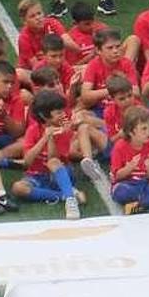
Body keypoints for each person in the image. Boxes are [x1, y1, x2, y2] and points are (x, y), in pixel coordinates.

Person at [13, 90, 92, 219]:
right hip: (36, 176)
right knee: (18, 188)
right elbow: (27, 162)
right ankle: (65, 195)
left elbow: (53, 159)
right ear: (44, 115)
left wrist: (51, 139)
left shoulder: (63, 130)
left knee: (53, 162)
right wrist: (44, 138)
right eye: (58, 112)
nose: (63, 114)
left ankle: (70, 201)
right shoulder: (32, 131)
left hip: (59, 174)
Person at [80, 28, 138, 110]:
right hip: (103, 108)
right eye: (110, 48)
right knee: (81, 116)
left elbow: (136, 92)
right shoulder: (93, 64)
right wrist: (113, 89)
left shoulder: (126, 63)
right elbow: (85, 96)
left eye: (118, 46)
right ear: (98, 50)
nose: (115, 51)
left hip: (125, 107)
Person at [16, 0, 78, 70]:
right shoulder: (24, 38)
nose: (38, 18)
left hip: (56, 66)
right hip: (34, 72)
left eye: (39, 13)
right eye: (32, 16)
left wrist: (59, 41)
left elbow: (74, 47)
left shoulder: (52, 23)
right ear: (24, 21)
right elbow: (36, 68)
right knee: (20, 73)